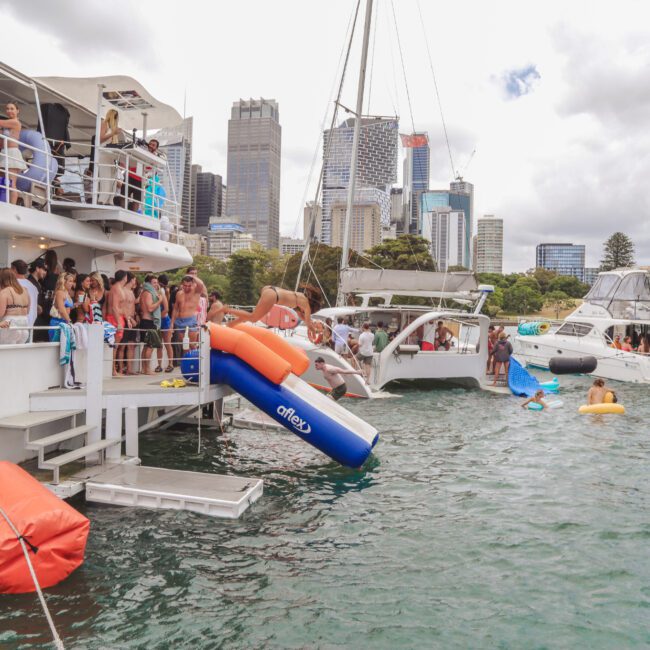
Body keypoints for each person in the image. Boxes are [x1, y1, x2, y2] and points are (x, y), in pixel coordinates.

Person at [226, 284, 323, 336]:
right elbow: (309, 325)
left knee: (252, 316)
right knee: (253, 318)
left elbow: (303, 318)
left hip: (269, 289)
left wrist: (309, 323)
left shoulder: (300, 298)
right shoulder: (306, 305)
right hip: (273, 296)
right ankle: (227, 309)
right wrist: (315, 332)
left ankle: (231, 324)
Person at [0, 102, 27, 204]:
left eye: (12, 108)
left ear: (17, 111)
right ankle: (4, 202)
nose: (9, 111)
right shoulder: (7, 123)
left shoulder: (15, 122)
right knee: (4, 182)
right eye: (7, 109)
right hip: (4, 153)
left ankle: (12, 206)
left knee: (11, 183)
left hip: (11, 153)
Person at [96, 109, 122, 205]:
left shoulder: (113, 127)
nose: (116, 119)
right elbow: (100, 139)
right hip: (104, 154)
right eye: (115, 117)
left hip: (111, 156)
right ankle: (102, 200)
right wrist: (112, 133)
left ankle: (109, 201)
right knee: (106, 179)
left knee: (113, 181)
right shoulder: (105, 124)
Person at [139, 274, 163, 374]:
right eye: (154, 282)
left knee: (146, 346)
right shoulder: (148, 293)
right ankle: (147, 369)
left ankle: (144, 368)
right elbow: (150, 308)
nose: (156, 285)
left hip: (145, 321)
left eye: (157, 282)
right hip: (149, 322)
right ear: (148, 283)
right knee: (150, 346)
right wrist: (160, 301)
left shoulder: (143, 292)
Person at [106, 270, 128, 375]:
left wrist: (125, 319)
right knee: (114, 345)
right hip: (114, 319)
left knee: (116, 345)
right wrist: (119, 322)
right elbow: (114, 307)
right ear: (124, 277)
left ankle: (113, 368)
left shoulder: (118, 288)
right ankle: (112, 369)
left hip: (118, 318)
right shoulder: (116, 289)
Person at [0, 267, 30, 344]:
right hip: (24, 324)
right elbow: (28, 311)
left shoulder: (5, 292)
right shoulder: (25, 290)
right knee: (18, 353)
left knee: (5, 354)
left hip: (9, 325)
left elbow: (1, 313)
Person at [11, 260, 38, 338]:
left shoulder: (13, 285)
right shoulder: (33, 286)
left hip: (17, 325)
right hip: (30, 323)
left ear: (14, 270)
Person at [172, 275, 201, 345]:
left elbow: (201, 284)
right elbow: (175, 308)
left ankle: (194, 355)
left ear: (193, 284)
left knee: (192, 346)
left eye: (189, 285)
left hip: (190, 320)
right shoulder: (179, 293)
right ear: (181, 284)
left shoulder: (196, 292)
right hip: (179, 321)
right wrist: (171, 323)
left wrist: (192, 276)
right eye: (185, 285)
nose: (187, 287)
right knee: (184, 346)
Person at [48, 272, 75, 341]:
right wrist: (70, 321)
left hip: (65, 322)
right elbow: (61, 310)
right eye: (70, 281)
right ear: (64, 281)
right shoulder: (60, 292)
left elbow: (67, 308)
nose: (72, 283)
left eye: (73, 281)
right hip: (57, 323)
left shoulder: (67, 293)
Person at [157, 274, 174, 372]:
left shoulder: (162, 291)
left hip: (164, 318)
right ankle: (166, 364)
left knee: (166, 343)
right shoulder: (164, 290)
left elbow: (166, 309)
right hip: (163, 318)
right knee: (164, 343)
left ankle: (169, 364)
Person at [27, 259, 47, 341]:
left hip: (38, 317)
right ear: (37, 268)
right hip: (33, 318)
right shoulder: (30, 282)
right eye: (44, 269)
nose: (45, 272)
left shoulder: (38, 282)